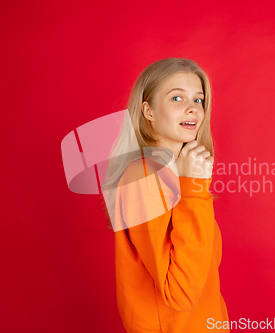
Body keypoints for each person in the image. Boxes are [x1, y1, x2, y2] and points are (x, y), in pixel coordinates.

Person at [101, 58, 229, 332]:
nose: (192, 109)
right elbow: (180, 294)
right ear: (148, 110)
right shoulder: (144, 177)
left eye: (198, 100)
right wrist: (193, 191)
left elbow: (202, 275)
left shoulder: (175, 175)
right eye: (176, 97)